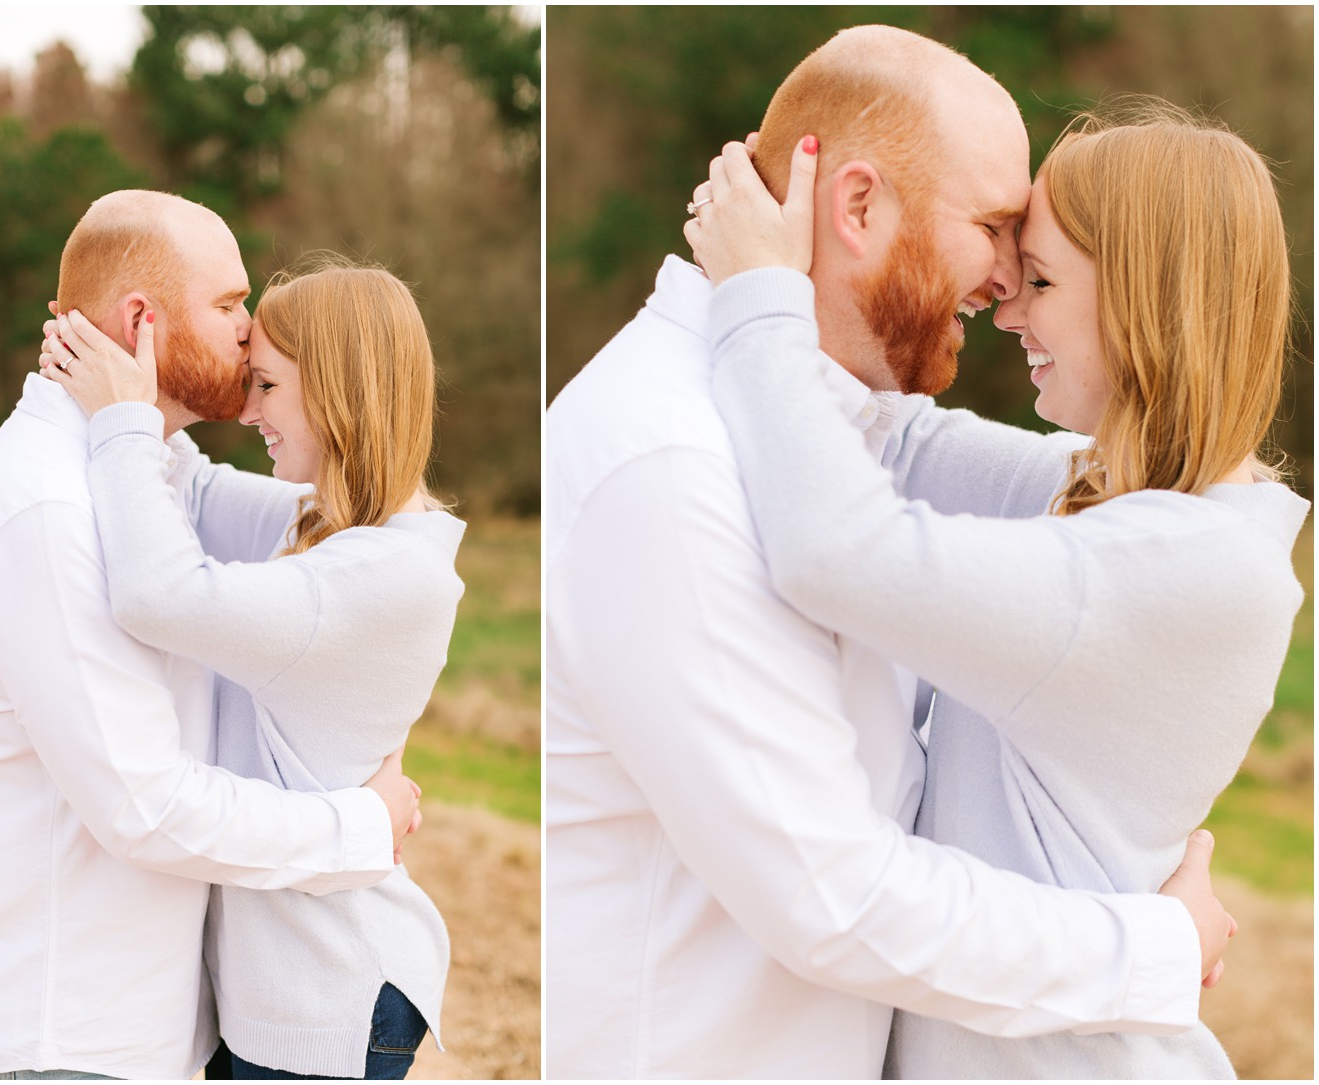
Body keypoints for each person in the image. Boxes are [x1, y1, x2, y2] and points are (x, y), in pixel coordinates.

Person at [544, 26, 1236, 1080]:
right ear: (857, 206)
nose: (1009, 280)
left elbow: (1112, 489)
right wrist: (1155, 947)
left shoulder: (819, 428)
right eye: (997, 226)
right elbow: (833, 896)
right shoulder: (670, 460)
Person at [684, 95, 1306, 1076]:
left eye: (1041, 277)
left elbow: (835, 548)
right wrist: (833, 256)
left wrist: (757, 291)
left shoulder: (1185, 569)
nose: (1006, 304)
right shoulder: (1110, 497)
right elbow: (897, 443)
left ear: (1146, 299)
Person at [0, 192, 421, 1081]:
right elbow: (144, 803)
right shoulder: (46, 509)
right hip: (48, 1039)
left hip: (121, 1033)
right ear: (141, 320)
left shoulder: (146, 468)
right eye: (228, 306)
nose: (251, 334)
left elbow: (330, 531)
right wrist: (356, 828)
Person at [37, 255, 464, 1080]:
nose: (246, 408)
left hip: (327, 985)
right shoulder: (328, 527)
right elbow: (185, 493)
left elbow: (158, 592)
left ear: (336, 385)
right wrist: (141, 368)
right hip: (294, 982)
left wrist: (124, 420)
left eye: (264, 385)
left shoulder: (378, 577)